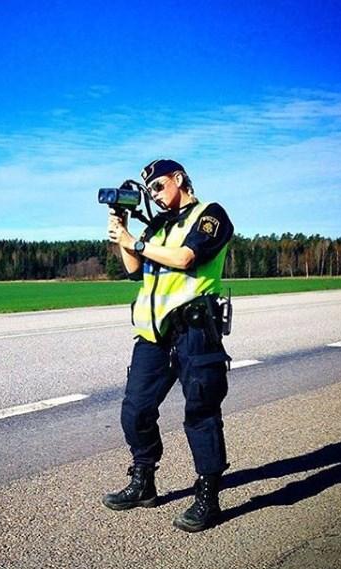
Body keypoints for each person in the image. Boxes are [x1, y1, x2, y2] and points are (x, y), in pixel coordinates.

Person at [102, 158, 234, 532]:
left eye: (159, 186)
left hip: (194, 331)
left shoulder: (211, 215)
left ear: (178, 179)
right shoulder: (158, 225)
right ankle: (144, 482)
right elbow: (133, 271)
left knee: (201, 413)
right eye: (149, 192)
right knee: (135, 411)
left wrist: (136, 241)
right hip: (153, 336)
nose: (155, 196)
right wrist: (122, 233)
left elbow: (186, 257)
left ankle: (208, 497)